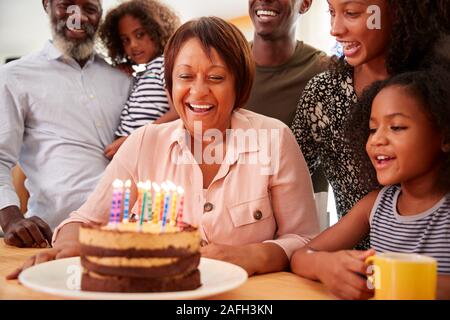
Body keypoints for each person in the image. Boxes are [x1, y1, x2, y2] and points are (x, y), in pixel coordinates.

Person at [7, 17, 319, 279]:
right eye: (185, 76)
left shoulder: (274, 139)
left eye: (216, 77)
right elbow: (83, 221)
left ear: (240, 84)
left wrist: (253, 256)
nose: (199, 92)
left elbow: (305, 238)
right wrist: (70, 247)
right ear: (169, 86)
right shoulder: (144, 142)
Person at [290, 0, 450, 242]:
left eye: (351, 13)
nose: (335, 28)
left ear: (398, 10)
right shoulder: (322, 94)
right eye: (332, 12)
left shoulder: (438, 91)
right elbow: (286, 179)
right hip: (347, 267)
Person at [291, 67, 450, 300]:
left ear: (445, 137)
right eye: (373, 129)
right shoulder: (376, 205)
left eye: (397, 127)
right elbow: (301, 256)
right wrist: (326, 265)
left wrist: (397, 278)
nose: (377, 140)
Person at [0, 0, 131, 248]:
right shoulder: (14, 76)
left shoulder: (123, 80)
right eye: (67, 5)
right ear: (46, 5)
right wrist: (11, 219)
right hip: (51, 239)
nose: (78, 17)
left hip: (126, 236)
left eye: (90, 9)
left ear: (100, 14)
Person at [246, 0, 329, 197]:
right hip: (236, 211)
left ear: (305, 4)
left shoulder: (323, 71)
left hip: (304, 213)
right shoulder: (229, 66)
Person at [99, 0, 181, 159]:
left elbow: (177, 112)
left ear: (157, 30)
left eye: (139, 34)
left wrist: (133, 139)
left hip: (149, 149)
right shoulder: (144, 72)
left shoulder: (166, 64)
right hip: (131, 152)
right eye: (125, 40)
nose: (133, 45)